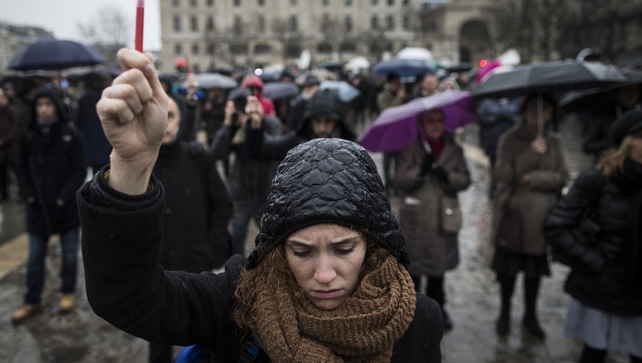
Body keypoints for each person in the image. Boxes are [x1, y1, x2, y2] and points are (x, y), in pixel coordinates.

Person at [81, 48, 443, 362]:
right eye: (301, 251)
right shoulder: (240, 301)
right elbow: (129, 297)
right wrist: (131, 165)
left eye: (344, 248)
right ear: (277, 249)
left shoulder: (417, 321)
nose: (324, 275)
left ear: (373, 244)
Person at [544, 109, 642, 363]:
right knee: (594, 353)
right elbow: (556, 225)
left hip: (637, 293)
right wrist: (594, 262)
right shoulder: (597, 180)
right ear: (625, 142)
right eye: (640, 137)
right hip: (602, 291)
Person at [148, 95, 233, 363]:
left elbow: (222, 205)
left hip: (196, 264)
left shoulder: (198, 158)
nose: (164, 123)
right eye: (158, 117)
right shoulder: (141, 163)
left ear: (180, 120)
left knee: (200, 338)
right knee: (157, 336)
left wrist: (210, 246)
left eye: (170, 116)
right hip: (156, 268)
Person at [491, 92, 570, 338]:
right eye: (533, 108)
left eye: (545, 109)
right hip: (514, 215)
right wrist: (531, 154)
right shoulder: (510, 138)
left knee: (534, 272)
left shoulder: (555, 141)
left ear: (552, 114)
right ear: (524, 110)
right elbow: (503, 174)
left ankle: (530, 315)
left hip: (541, 217)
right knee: (508, 271)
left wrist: (533, 178)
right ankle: (504, 313)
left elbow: (562, 176)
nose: (538, 114)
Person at [11, 87, 88, 323]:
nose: (43, 109)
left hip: (65, 209)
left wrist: (64, 196)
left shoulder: (70, 134)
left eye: (48, 104)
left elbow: (80, 169)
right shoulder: (28, 135)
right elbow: (20, 166)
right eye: (39, 104)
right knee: (34, 258)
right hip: (37, 209)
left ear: (56, 106)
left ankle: (67, 291)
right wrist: (28, 194)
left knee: (68, 255)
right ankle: (32, 298)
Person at [395, 108, 471, 332]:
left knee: (438, 270)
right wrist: (421, 170)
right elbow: (400, 180)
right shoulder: (411, 148)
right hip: (416, 218)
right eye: (430, 121)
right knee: (414, 269)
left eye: (439, 120)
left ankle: (439, 309)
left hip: (442, 217)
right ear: (422, 124)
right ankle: (412, 311)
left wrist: (446, 175)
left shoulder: (454, 149)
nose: (435, 125)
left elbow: (465, 179)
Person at [210, 88, 281, 257]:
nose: (244, 113)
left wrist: (256, 125)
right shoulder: (233, 127)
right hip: (240, 191)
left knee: (271, 237)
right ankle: (238, 274)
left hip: (265, 189)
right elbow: (216, 154)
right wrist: (227, 124)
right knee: (237, 234)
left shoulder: (271, 123)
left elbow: (276, 150)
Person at [245, 89, 356, 162]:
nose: (322, 128)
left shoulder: (351, 148)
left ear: (337, 122)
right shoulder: (297, 143)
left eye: (328, 122)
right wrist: (256, 124)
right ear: (309, 120)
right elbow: (261, 150)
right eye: (317, 121)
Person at [377, 73, 409, 194]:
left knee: (398, 161)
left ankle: (396, 184)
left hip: (400, 134)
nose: (397, 85)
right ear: (389, 84)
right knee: (387, 161)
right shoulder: (382, 96)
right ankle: (388, 184)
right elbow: (387, 111)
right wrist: (399, 98)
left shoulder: (404, 96)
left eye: (398, 83)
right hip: (387, 134)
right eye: (395, 83)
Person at [76, 75, 112, 173]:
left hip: (91, 140)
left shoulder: (85, 99)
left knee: (96, 172)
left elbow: (78, 122)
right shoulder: (110, 99)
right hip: (107, 141)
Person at [0, 88, 19, 201]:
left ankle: (22, 192)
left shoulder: (12, 110)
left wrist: (3, 140)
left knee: (16, 169)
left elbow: (14, 129)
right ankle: (4, 194)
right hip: (2, 149)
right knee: (2, 173)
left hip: (11, 147)